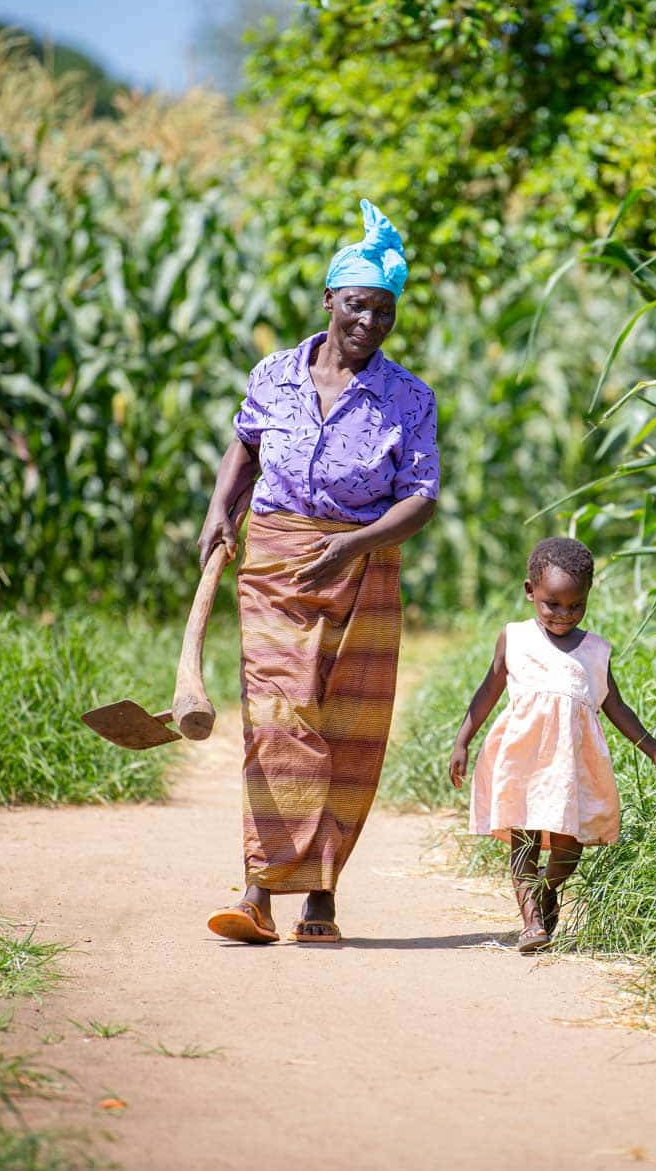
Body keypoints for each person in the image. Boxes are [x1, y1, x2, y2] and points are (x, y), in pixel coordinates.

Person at [185, 199, 438, 945]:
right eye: (358, 306)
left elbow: (421, 499)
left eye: (384, 313)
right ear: (330, 298)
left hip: (366, 565)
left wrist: (354, 547)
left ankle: (320, 893)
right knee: (279, 717)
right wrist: (218, 508)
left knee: (345, 728)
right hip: (275, 562)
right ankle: (260, 888)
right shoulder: (274, 374)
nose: (369, 323)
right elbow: (246, 445)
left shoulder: (409, 397)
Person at [448, 537, 656, 953]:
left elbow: (616, 705)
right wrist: (462, 740)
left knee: (568, 848)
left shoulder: (595, 651)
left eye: (575, 606)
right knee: (523, 840)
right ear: (529, 592)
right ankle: (531, 923)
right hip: (521, 759)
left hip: (571, 766)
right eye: (551, 604)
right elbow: (488, 690)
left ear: (587, 598)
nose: (563, 615)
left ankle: (547, 889)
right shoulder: (515, 638)